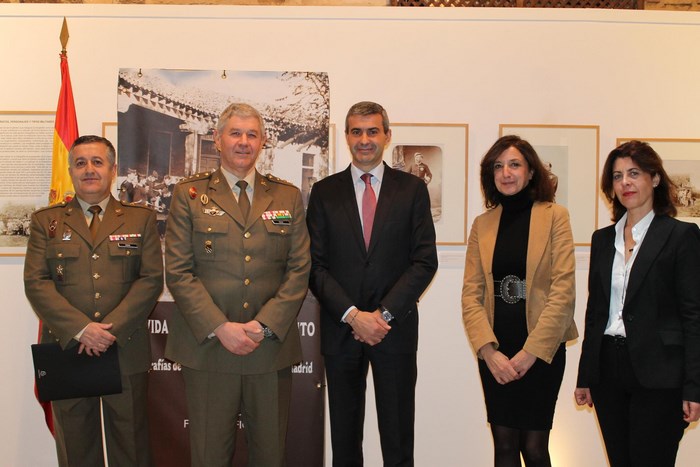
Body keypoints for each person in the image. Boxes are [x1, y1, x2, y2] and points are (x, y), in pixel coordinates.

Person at [164, 103, 310, 467]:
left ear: (262, 142)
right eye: (235, 133)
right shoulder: (189, 194)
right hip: (209, 349)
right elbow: (179, 271)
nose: (243, 142)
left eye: (252, 135)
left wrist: (264, 326)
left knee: (269, 455)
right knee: (209, 454)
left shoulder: (287, 196)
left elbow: (299, 268)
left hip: (269, 347)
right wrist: (219, 327)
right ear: (218, 138)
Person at [306, 101, 438, 466]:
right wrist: (352, 315)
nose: (364, 140)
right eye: (356, 132)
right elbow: (314, 267)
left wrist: (383, 315)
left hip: (394, 332)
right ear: (347, 136)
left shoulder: (411, 190)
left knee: (398, 439)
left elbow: (425, 261)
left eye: (372, 131)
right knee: (345, 440)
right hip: (341, 331)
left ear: (387, 135)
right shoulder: (324, 193)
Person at [24, 135, 163, 467]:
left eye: (97, 162)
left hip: (124, 348)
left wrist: (108, 331)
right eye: (81, 162)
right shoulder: (47, 221)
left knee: (130, 446)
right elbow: (36, 282)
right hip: (68, 348)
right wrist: (82, 329)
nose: (89, 169)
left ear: (112, 170)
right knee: (76, 448)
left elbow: (151, 280)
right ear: (71, 170)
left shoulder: (139, 219)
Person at [575, 140, 700, 467]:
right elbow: (595, 312)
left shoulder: (681, 236)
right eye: (617, 177)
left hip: (660, 374)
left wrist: (694, 386)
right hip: (608, 371)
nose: (625, 183)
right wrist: (585, 374)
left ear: (655, 178)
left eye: (634, 173)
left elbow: (694, 315)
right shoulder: (603, 239)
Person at [461, 135, 578, 467]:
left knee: (535, 447)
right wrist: (488, 351)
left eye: (514, 164)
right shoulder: (482, 225)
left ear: (530, 172)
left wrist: (530, 354)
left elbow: (563, 292)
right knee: (505, 446)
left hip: (541, 349)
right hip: (496, 349)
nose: (506, 173)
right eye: (498, 166)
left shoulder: (555, 216)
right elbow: (471, 295)